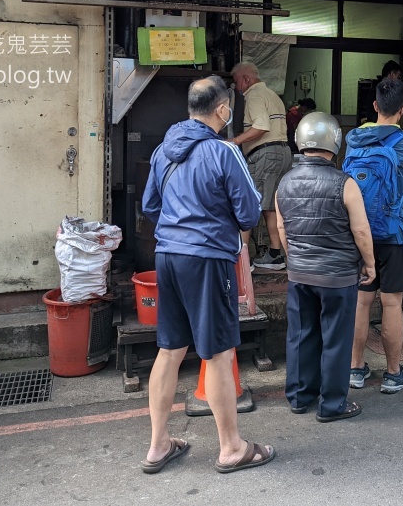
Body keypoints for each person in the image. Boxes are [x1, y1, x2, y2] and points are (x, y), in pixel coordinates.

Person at [140, 75, 274, 475]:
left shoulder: (164, 150)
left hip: (168, 256)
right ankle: (231, 448)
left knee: (170, 349)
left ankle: (158, 445)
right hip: (209, 259)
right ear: (222, 110)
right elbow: (250, 213)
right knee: (218, 352)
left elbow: (150, 205)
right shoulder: (224, 152)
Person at [275, 112, 376, 422]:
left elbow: (282, 229)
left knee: (301, 334)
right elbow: (360, 231)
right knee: (335, 337)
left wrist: (295, 260)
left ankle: (299, 396)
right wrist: (370, 264)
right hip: (337, 276)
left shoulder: (285, 181)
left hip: (299, 273)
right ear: (335, 142)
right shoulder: (344, 183)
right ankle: (332, 405)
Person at [344, 77, 403, 393]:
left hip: (360, 231)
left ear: (376, 106)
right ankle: (393, 373)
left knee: (361, 301)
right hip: (398, 233)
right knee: (391, 303)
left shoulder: (354, 141)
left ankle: (355, 369)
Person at [230, 62, 293, 270]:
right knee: (269, 206)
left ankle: (241, 260)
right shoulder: (272, 95)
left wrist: (235, 142)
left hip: (265, 154)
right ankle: (275, 254)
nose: (236, 87)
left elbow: (261, 126)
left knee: (249, 204)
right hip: (283, 153)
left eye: (237, 81)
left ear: (246, 79)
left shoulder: (254, 95)